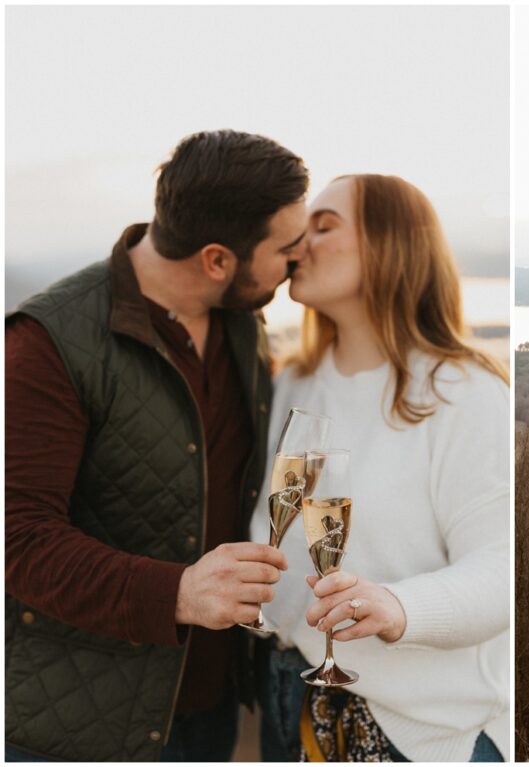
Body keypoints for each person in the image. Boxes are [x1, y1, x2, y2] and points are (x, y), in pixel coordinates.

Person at [5, 130, 309, 761]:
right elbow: (16, 536)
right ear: (218, 259)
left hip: (213, 703)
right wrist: (178, 594)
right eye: (287, 247)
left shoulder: (241, 319)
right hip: (84, 722)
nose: (297, 260)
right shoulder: (46, 344)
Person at [252, 174, 510, 762]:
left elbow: (502, 568)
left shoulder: (458, 391)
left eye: (324, 225)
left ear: (391, 245)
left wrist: (401, 608)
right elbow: (275, 529)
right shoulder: (294, 382)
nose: (299, 244)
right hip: (293, 707)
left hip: (417, 733)